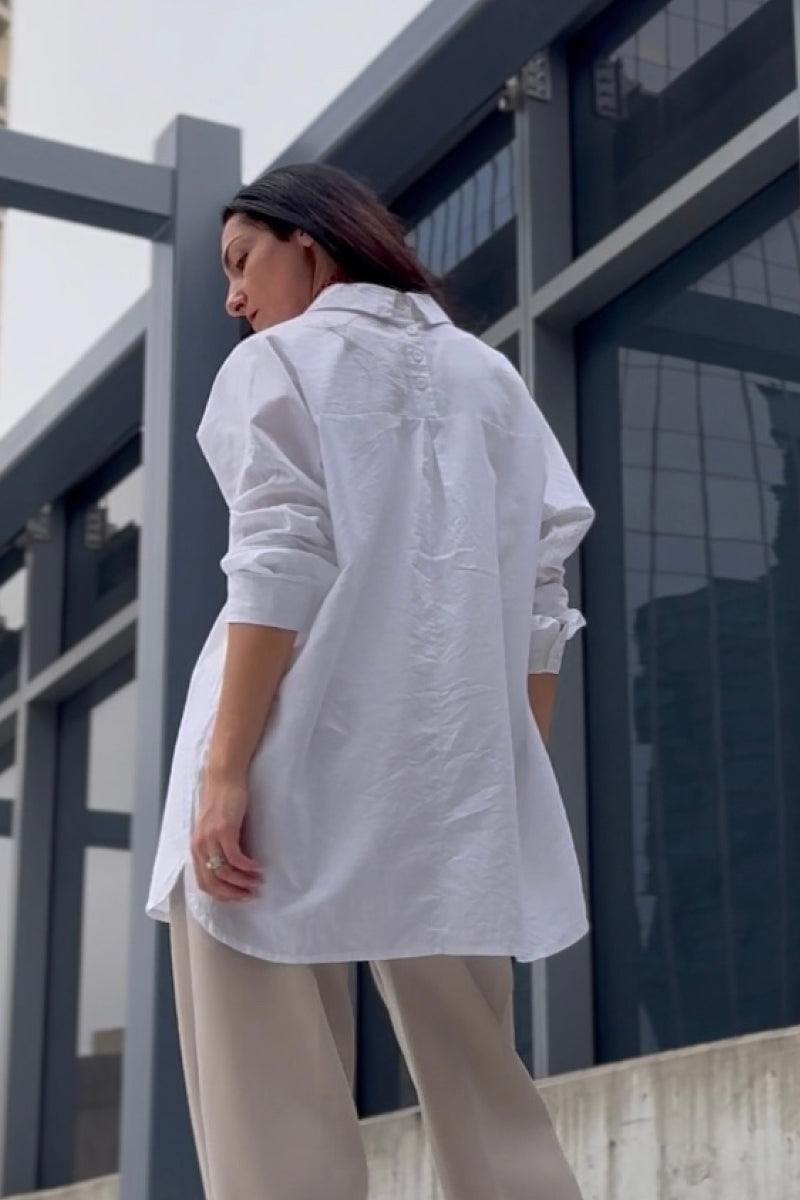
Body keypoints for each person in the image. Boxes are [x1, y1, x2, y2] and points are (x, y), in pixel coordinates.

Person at [145, 161, 595, 1200]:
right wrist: (509, 776)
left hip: (273, 760)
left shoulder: (279, 364)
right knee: (487, 1094)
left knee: (269, 1110)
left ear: (310, 242)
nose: (231, 297)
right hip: (447, 788)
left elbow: (277, 560)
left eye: (240, 261)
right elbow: (538, 602)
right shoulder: (493, 380)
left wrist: (223, 775)